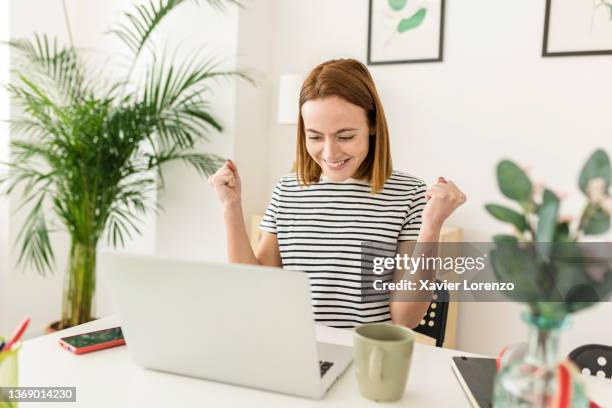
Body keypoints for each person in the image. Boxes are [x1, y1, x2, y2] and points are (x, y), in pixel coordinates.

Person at [209, 58, 466, 328]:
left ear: (372, 126)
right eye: (315, 137)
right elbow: (257, 289)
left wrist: (432, 226)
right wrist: (231, 205)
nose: (330, 153)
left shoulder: (408, 194)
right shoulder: (286, 190)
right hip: (297, 352)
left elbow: (406, 319)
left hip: (368, 358)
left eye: (345, 137)